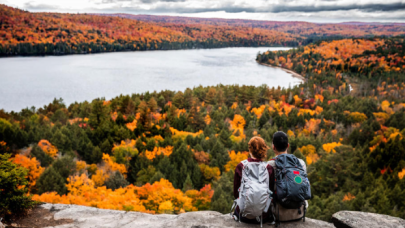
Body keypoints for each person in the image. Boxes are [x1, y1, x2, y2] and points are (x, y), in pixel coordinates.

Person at [268, 131, 309, 224]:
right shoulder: (300, 163)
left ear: (273, 147)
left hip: (278, 214)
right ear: (288, 145)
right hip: (299, 213)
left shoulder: (269, 165)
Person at [233, 136, 275, 224]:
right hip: (263, 215)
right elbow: (270, 192)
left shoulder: (241, 166)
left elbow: (236, 193)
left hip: (243, 215)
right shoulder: (269, 168)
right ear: (264, 150)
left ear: (250, 150)